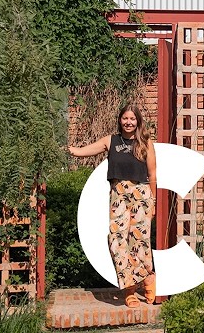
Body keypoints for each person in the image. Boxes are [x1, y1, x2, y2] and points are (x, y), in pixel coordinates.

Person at [68, 104, 158, 307]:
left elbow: (152, 174)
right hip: (118, 195)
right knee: (117, 240)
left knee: (140, 240)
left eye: (132, 119)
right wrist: (70, 150)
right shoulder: (111, 141)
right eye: (125, 118)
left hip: (142, 195)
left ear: (138, 121)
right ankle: (129, 288)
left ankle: (147, 276)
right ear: (120, 120)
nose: (128, 122)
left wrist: (153, 202)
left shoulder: (146, 143)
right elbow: (84, 151)